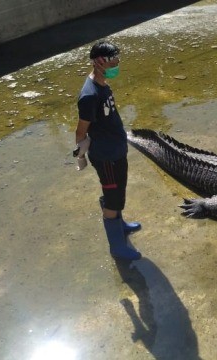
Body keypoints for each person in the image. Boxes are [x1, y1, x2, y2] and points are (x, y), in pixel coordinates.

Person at [74, 40, 142, 261]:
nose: (117, 64)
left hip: (116, 150)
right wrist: (81, 156)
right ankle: (117, 247)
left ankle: (120, 225)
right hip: (106, 156)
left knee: (118, 192)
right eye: (113, 61)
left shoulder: (103, 83)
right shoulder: (89, 95)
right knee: (113, 199)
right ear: (100, 62)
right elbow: (80, 131)